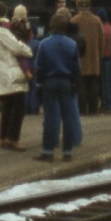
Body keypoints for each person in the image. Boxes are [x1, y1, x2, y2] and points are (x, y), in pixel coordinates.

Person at [0, 1, 32, 151]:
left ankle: (3, 137)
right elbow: (17, 47)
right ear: (3, 14)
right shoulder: (1, 31)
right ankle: (13, 138)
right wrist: (28, 50)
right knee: (18, 108)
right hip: (11, 73)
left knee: (7, 107)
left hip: (0, 73)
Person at [33, 12, 80, 161]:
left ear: (52, 26)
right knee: (68, 117)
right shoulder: (72, 44)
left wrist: (39, 83)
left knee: (50, 117)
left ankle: (48, 151)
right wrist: (74, 82)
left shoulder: (44, 44)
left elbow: (39, 67)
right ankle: (67, 152)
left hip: (49, 82)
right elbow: (76, 67)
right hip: (66, 82)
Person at [70, 0, 103, 115]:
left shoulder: (74, 20)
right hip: (94, 56)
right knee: (93, 83)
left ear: (78, 7)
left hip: (80, 56)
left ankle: (82, 108)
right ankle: (94, 107)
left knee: (81, 83)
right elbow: (101, 39)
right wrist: (100, 53)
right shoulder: (97, 20)